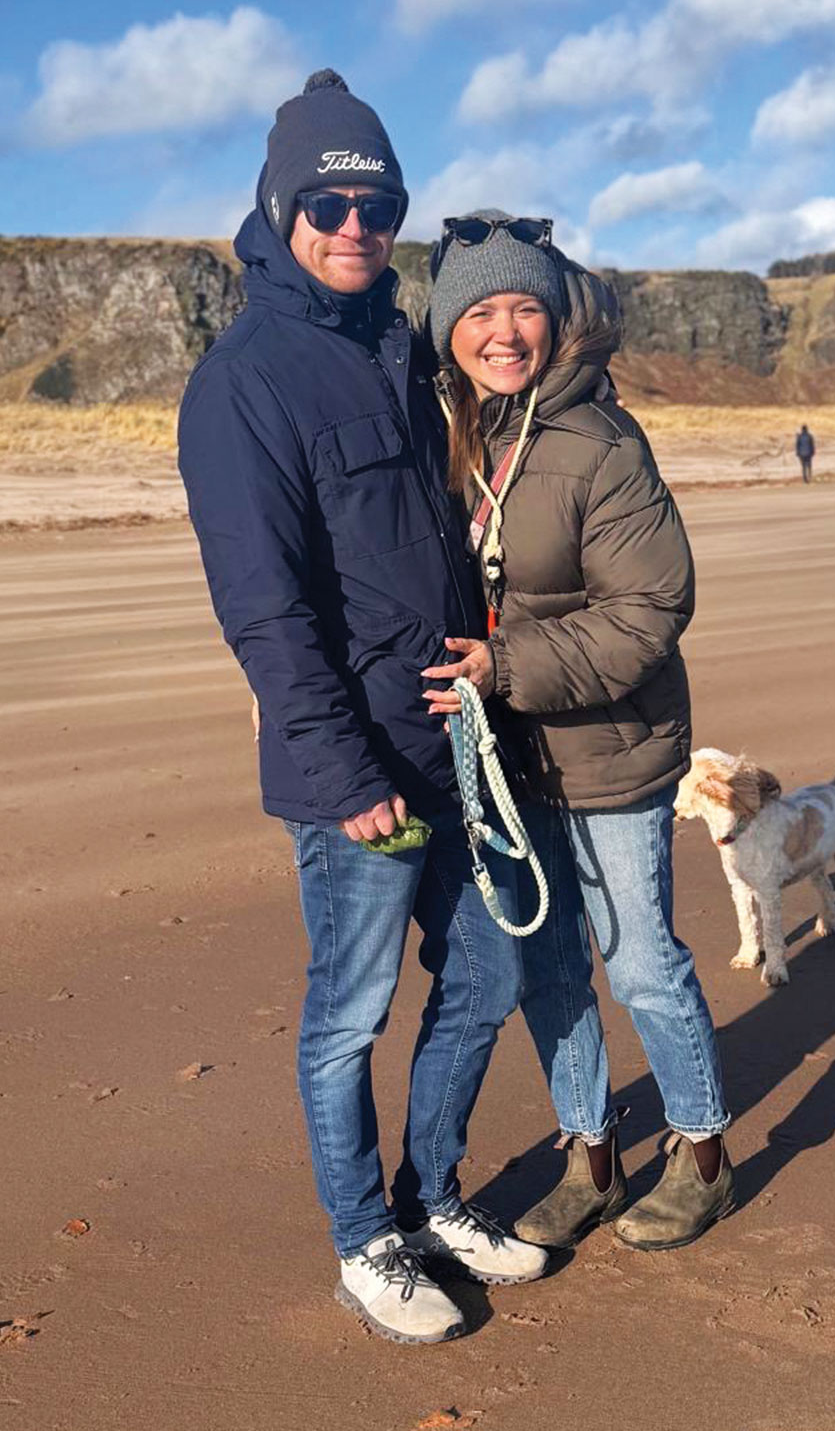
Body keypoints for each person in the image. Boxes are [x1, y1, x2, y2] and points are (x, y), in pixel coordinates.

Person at [178, 77, 545, 1349]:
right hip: (357, 776)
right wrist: (343, 775)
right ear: (281, 209)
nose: (355, 223)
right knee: (350, 1011)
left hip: (451, 741)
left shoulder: (396, 345)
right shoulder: (240, 385)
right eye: (329, 202)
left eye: (377, 202)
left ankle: (433, 1197)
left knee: (489, 967)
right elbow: (266, 613)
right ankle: (363, 1241)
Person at [420, 210, 734, 1254]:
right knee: (551, 971)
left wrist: (501, 666)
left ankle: (702, 1158)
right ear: (446, 329)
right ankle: (590, 1159)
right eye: (479, 312)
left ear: (557, 321)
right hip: (513, 762)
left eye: (524, 308)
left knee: (641, 961)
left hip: (615, 751)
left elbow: (651, 609)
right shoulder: (464, 435)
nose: (503, 331)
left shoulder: (601, 441)